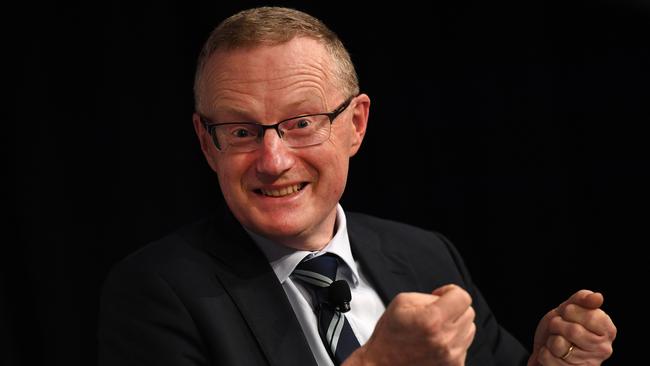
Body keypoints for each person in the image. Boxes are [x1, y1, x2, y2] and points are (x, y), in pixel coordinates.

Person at [98, 6, 616, 366]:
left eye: (302, 123)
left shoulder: (424, 254)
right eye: (241, 132)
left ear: (356, 124)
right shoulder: (157, 293)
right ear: (207, 144)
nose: (273, 160)